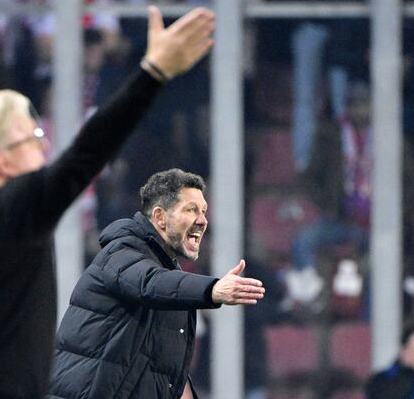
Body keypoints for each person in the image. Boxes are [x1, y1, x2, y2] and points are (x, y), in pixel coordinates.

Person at [0, 6, 216, 398]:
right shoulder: (10, 211)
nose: (46, 146)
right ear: (2, 160)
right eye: (34, 136)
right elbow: (88, 152)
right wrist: (154, 72)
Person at [48, 168, 266, 399]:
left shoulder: (169, 278)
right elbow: (149, 283)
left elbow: (163, 371)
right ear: (160, 217)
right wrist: (212, 289)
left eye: (203, 211)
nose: (202, 221)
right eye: (191, 210)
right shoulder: (121, 252)